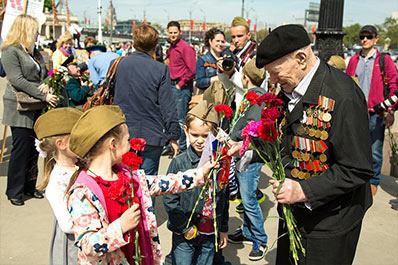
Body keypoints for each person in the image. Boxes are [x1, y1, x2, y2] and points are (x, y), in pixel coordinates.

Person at [249, 24, 374, 264]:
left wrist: (304, 191)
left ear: (301, 58)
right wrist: (247, 149)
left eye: (275, 71)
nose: (271, 80)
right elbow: (283, 142)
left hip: (329, 223)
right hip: (295, 214)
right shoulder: (289, 88)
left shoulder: (343, 95)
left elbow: (357, 168)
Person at [66, 105, 216, 265]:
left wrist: (200, 173)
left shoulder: (127, 175)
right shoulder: (83, 193)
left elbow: (164, 183)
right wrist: (120, 227)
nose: (130, 144)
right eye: (127, 139)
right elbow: (88, 244)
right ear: (113, 144)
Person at [1, 14, 58, 206]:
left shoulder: (33, 52)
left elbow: (44, 73)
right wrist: (43, 95)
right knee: (21, 148)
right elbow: (17, 79)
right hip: (20, 106)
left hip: (35, 104)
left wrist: (47, 85)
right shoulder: (10, 51)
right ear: (25, 29)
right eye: (35, 30)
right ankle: (14, 190)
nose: (37, 34)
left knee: (35, 148)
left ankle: (29, 185)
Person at [163, 101, 230, 265]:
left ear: (215, 133)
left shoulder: (221, 162)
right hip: (184, 233)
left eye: (206, 136)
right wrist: (185, 227)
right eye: (195, 135)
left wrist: (223, 229)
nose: (200, 141)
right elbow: (169, 200)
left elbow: (224, 197)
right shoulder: (179, 163)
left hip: (209, 232)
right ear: (186, 131)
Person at [114, 24, 180, 178]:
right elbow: (168, 107)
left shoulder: (118, 64)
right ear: (155, 45)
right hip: (151, 134)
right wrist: (173, 136)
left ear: (133, 43)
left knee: (123, 180)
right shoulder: (160, 69)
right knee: (147, 183)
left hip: (122, 131)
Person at [217, 16, 266, 211]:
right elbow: (226, 83)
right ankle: (245, 206)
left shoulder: (256, 56)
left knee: (244, 164)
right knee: (236, 163)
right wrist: (223, 70)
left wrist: (233, 74)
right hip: (236, 109)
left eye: (239, 36)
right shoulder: (233, 53)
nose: (235, 40)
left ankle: (250, 208)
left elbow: (258, 86)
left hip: (250, 111)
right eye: (233, 36)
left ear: (248, 35)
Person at [346, 25, 398, 196]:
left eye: (369, 36)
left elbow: (393, 85)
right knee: (354, 147)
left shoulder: (384, 59)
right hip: (357, 112)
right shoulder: (354, 60)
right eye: (362, 37)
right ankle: (357, 179)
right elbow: (346, 84)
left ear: (376, 39)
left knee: (375, 149)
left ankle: (373, 181)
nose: (365, 40)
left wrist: (390, 110)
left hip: (377, 112)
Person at [227, 58, 268, 261]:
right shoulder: (252, 96)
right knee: (245, 197)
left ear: (246, 77)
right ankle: (248, 231)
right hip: (242, 152)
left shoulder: (258, 99)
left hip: (249, 156)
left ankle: (260, 239)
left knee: (249, 199)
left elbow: (253, 129)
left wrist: (237, 141)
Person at [34, 107, 82, 265]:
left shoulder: (82, 164)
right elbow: (67, 225)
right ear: (61, 144)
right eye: (77, 137)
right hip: (75, 248)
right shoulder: (57, 182)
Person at [166, 21, 196, 153]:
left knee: (181, 119)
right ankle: (171, 145)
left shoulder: (185, 48)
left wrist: (180, 85)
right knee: (171, 116)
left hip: (181, 87)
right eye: (170, 32)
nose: (173, 35)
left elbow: (192, 70)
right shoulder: (171, 47)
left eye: (175, 32)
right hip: (172, 85)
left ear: (180, 32)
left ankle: (183, 148)